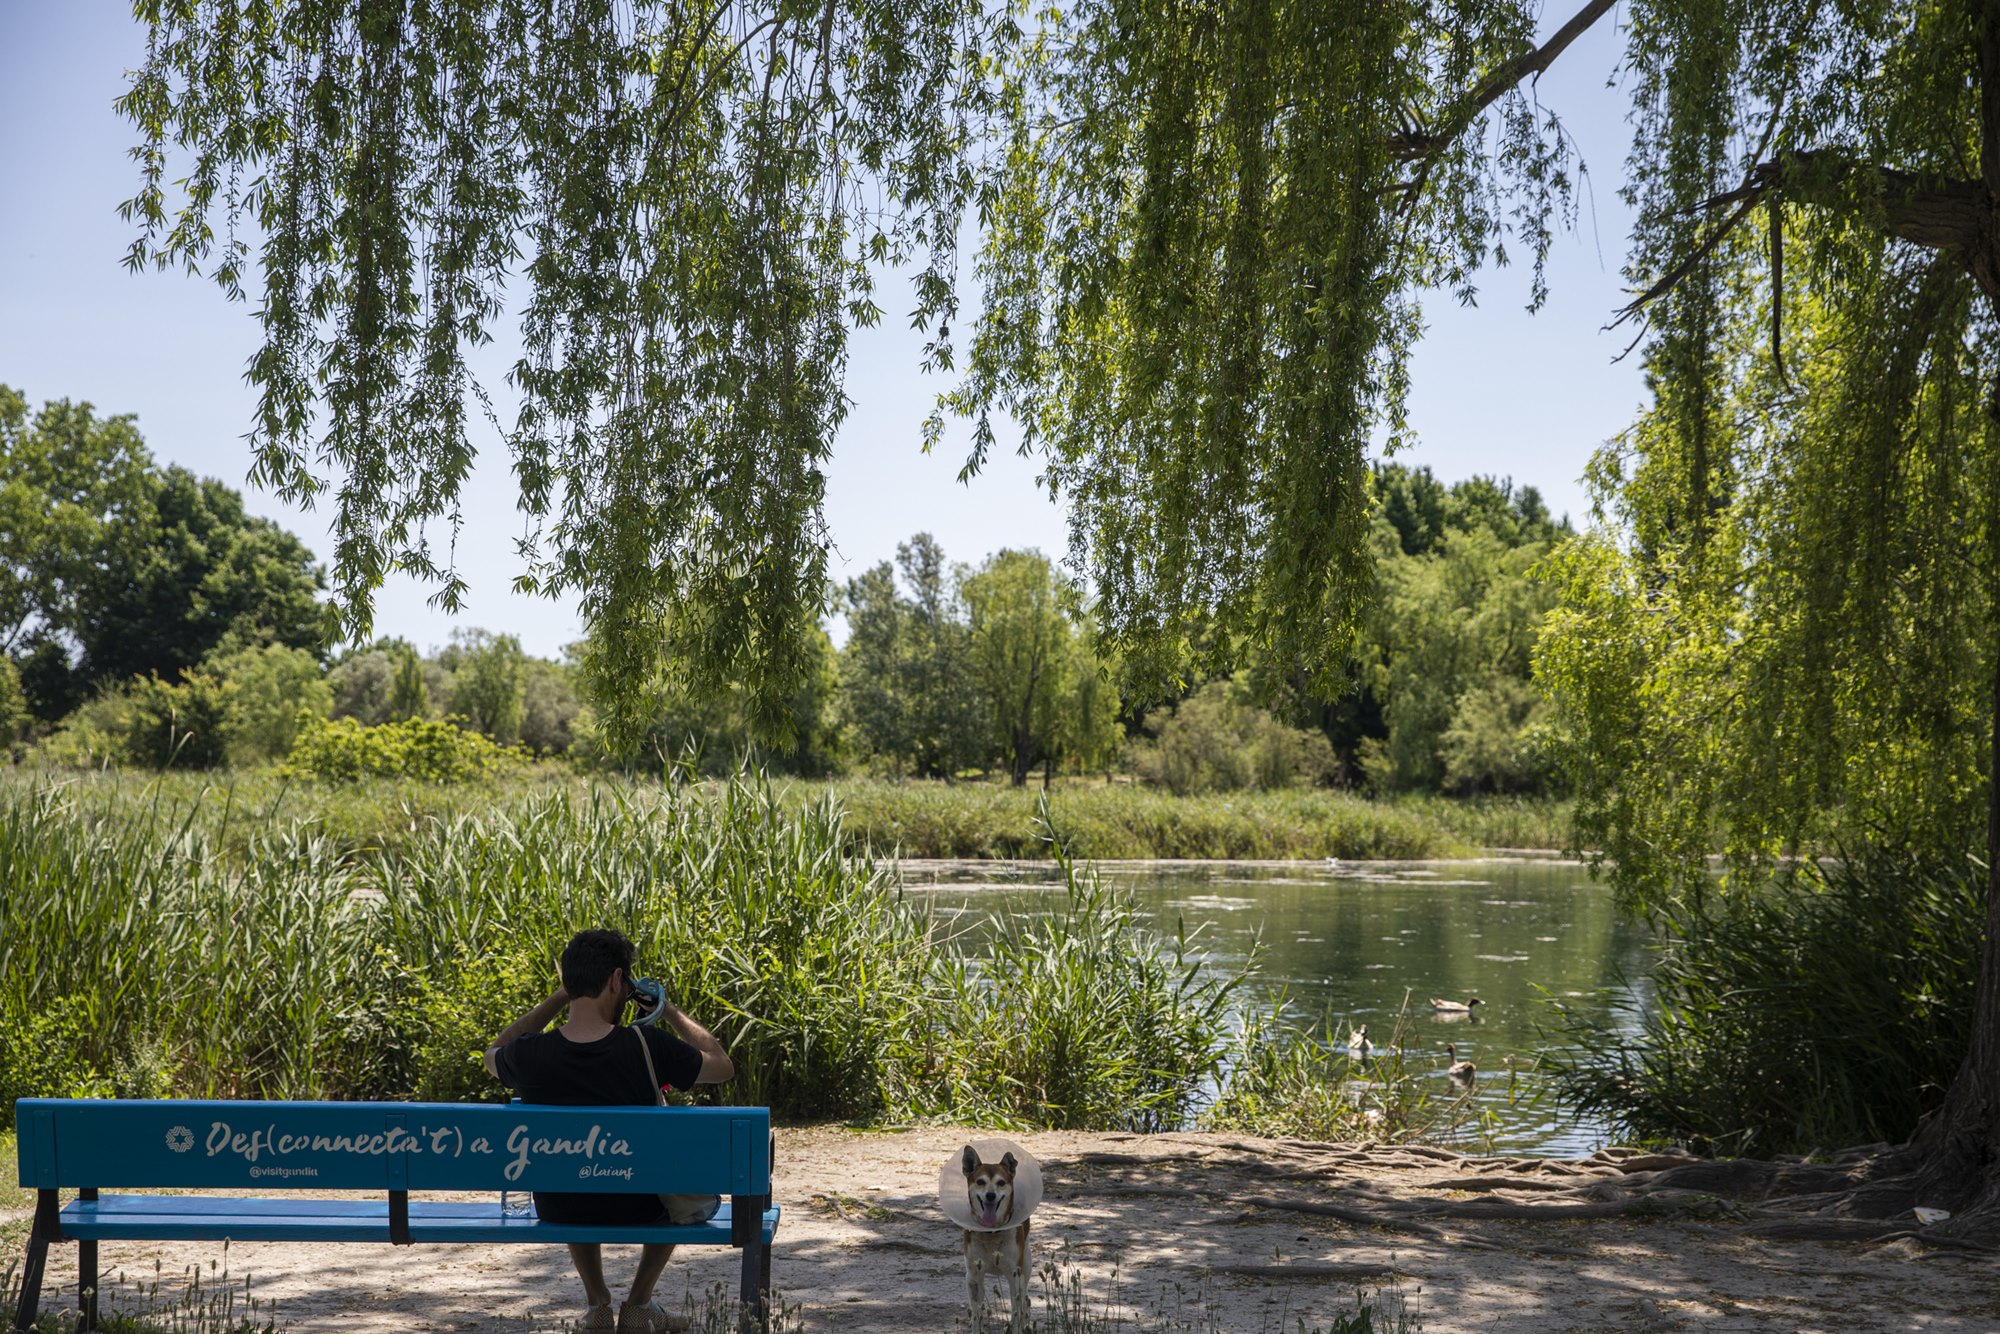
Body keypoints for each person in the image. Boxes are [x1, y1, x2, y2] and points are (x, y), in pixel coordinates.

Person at [484, 929, 736, 1334]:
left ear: (569, 981)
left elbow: (490, 1054)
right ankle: (638, 1304)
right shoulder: (648, 1045)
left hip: (561, 1207)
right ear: (617, 980)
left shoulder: (530, 1054)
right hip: (641, 1205)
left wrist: (560, 996)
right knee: (667, 1176)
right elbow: (722, 1065)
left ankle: (598, 1302)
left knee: (576, 1170)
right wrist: (668, 1010)